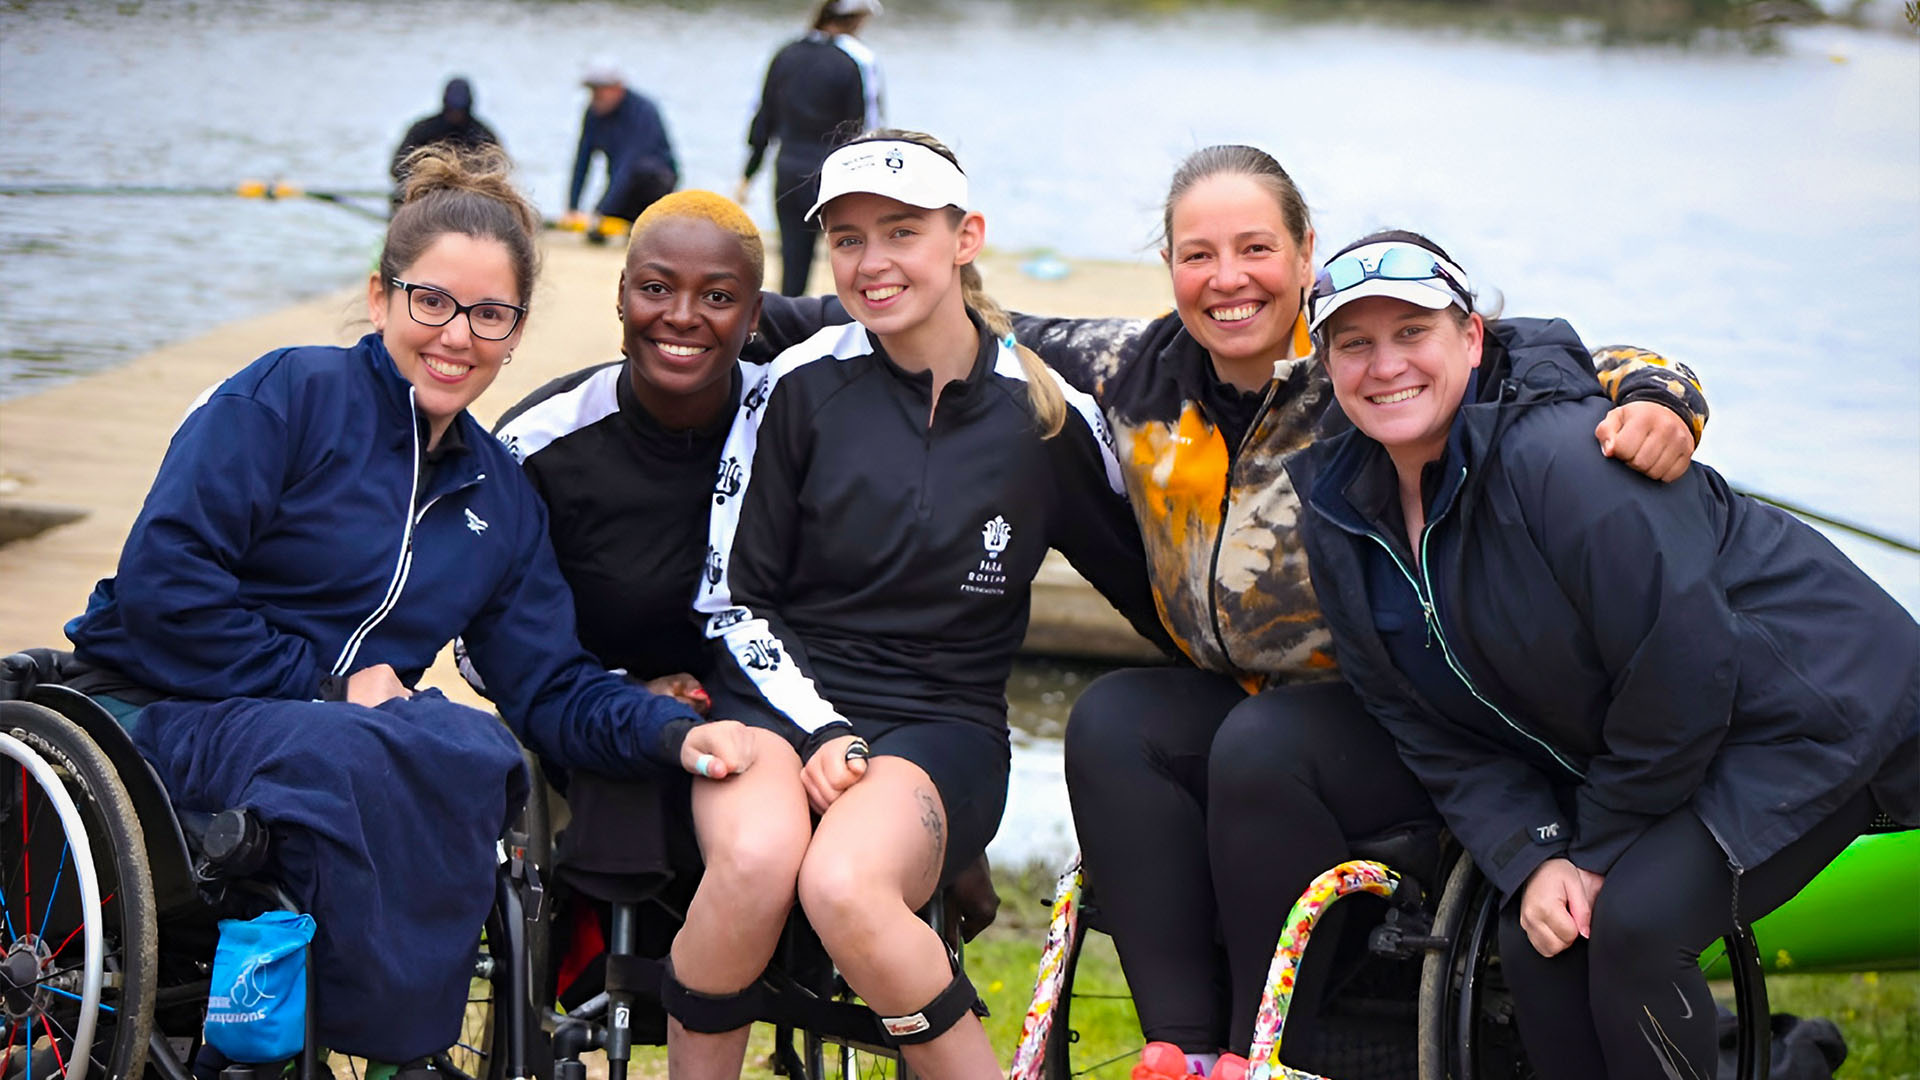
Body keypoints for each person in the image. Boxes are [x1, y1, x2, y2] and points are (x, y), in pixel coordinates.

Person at [716, 143, 1713, 1076]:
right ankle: (1180, 1048)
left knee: (1263, 741)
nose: (1228, 277)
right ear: (1169, 265)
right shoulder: (1126, 370)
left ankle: (1254, 1049)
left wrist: (1663, 402)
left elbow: (1563, 350)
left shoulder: (1369, 362)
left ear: (1306, 253)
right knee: (1112, 719)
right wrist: (704, 310)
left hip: (1409, 708)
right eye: (1200, 254)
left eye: (1255, 250)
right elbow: (932, 314)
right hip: (1247, 694)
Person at [60, 145, 755, 1065]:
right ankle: (345, 1040)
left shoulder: (499, 497)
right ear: (382, 293)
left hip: (332, 744)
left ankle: (397, 1048)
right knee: (353, 746)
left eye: (490, 314)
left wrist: (670, 735)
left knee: (474, 746)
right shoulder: (287, 398)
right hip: (160, 711)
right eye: (432, 301)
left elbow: (549, 684)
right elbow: (163, 590)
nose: (457, 336)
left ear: (517, 331)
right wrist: (327, 683)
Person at [1292, 229, 1918, 1080]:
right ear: (1324, 362)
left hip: (1813, 705)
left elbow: (1685, 668)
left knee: (1637, 926)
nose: (1386, 364)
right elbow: (1416, 717)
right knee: (1539, 930)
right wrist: (1535, 850)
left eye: (1413, 333)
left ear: (1470, 338)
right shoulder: (1341, 515)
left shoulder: (1564, 459)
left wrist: (1593, 853)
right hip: (1662, 743)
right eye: (1355, 343)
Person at [675, 131, 1171, 1080]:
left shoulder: (1046, 413)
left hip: (939, 722)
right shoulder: (798, 385)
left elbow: (1152, 588)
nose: (873, 262)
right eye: (849, 239)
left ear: (965, 236)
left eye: (902, 232)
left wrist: (1246, 677)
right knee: (753, 863)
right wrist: (819, 729)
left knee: (847, 884)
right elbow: (731, 599)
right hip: (779, 705)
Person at [736, 0, 886, 296]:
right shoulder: (858, 59)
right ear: (857, 19)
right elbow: (868, 127)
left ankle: (789, 331)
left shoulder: (786, 53)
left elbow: (764, 117)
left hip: (789, 169)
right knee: (860, 258)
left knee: (793, 263)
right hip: (838, 174)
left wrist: (748, 175)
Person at [562, 58, 679, 241]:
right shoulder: (594, 114)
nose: (596, 96)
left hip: (652, 183)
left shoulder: (643, 111)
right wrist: (572, 207)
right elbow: (582, 161)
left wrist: (601, 212)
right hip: (620, 181)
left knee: (641, 172)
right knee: (598, 229)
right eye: (592, 90)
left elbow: (629, 164)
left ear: (619, 88)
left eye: (601, 90)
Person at [388, 77, 501, 207]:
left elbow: (495, 173)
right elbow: (398, 167)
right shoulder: (423, 131)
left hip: (469, 203)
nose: (456, 115)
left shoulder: (482, 136)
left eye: (460, 110)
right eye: (452, 109)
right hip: (423, 199)